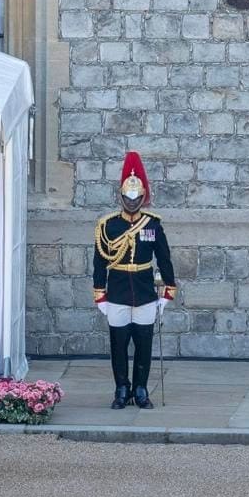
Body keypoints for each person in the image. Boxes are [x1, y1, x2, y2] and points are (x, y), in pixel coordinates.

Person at [93, 151, 176, 409]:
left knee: (143, 344)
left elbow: (164, 259)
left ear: (142, 197)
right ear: (121, 196)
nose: (132, 202)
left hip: (144, 293)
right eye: (128, 198)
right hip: (117, 291)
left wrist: (168, 291)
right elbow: (100, 261)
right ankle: (121, 388)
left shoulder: (152, 225)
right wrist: (100, 293)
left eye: (136, 198)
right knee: (118, 346)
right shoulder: (108, 226)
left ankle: (140, 388)